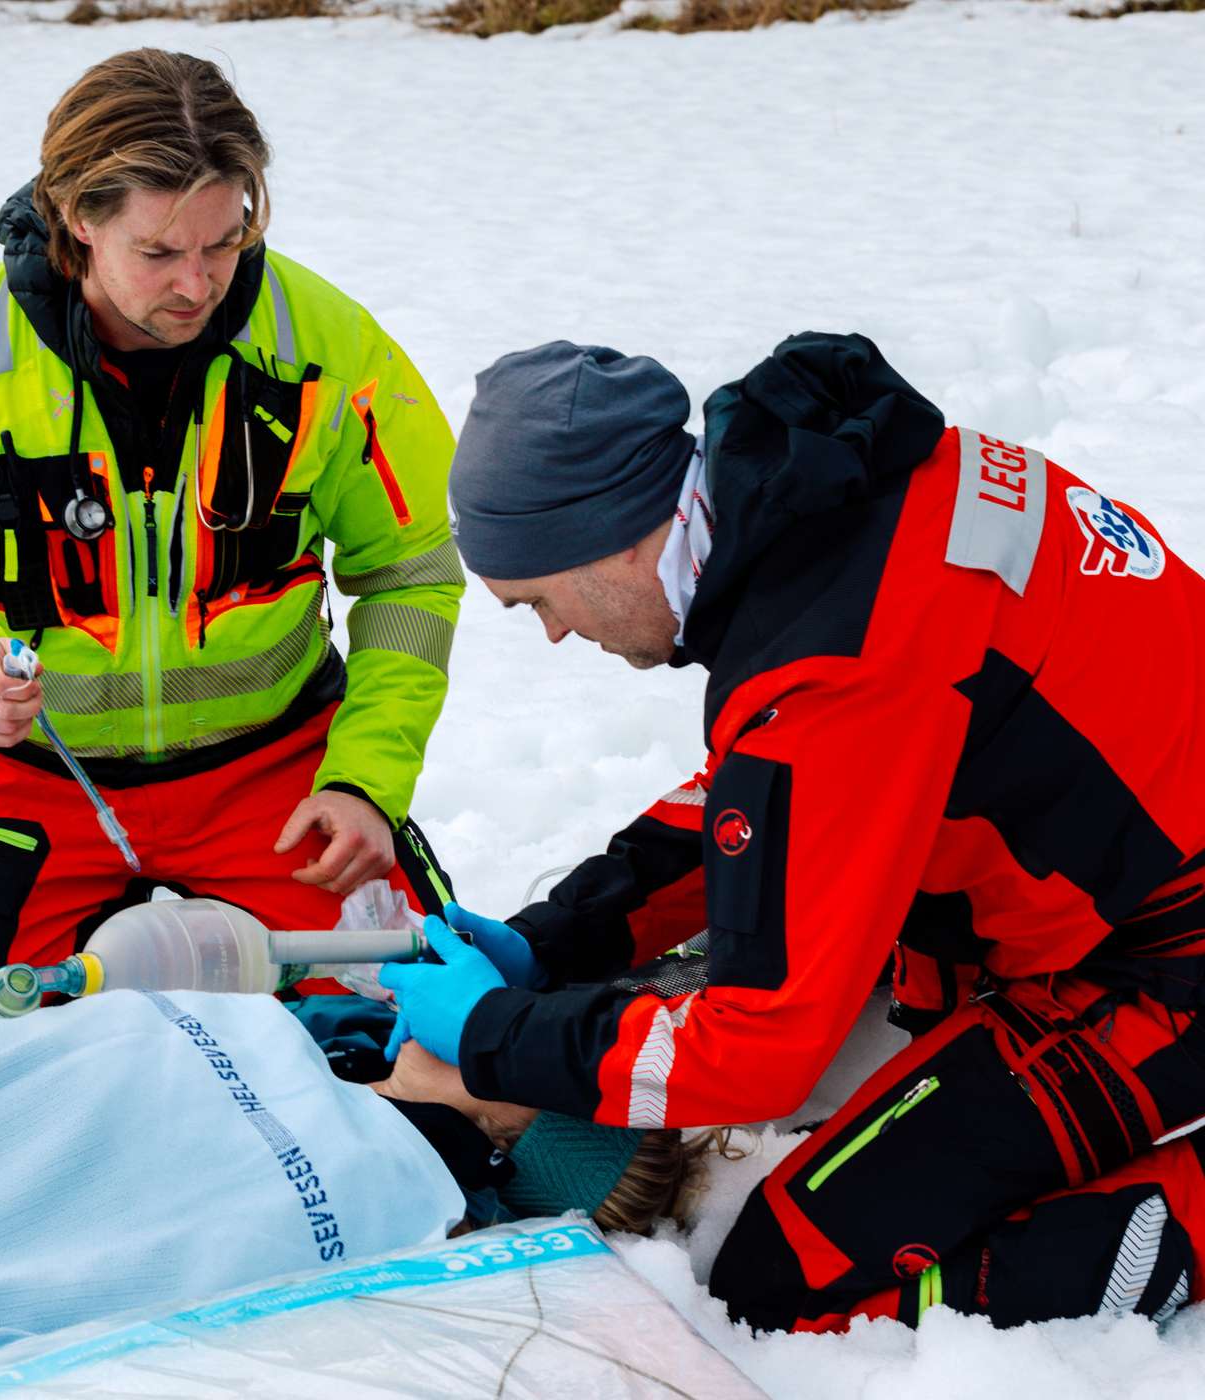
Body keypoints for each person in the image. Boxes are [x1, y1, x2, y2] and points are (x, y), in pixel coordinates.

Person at [378, 335, 1205, 1333]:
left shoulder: (835, 661)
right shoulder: (836, 498)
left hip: (1159, 962)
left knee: (786, 1276)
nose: (555, 634)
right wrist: (563, 935)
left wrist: (490, 1037)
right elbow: (777, 792)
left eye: (536, 601)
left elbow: (758, 1043)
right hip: (1111, 860)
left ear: (608, 537)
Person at [0, 49, 463, 1009]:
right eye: (159, 253)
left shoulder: (332, 349)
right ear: (77, 220)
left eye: (226, 241)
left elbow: (410, 578)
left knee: (427, 1037)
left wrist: (366, 780)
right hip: (40, 786)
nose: (199, 286)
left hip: (280, 781)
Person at [0, 987, 699, 1397]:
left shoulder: (379, 1181)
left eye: (525, 1061)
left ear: (512, 1133)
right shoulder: (306, 1043)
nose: (502, 1027)